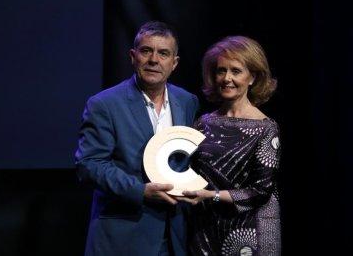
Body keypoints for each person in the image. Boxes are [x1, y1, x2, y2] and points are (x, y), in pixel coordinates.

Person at [75, 21, 199, 256]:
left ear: (174, 63)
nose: (154, 60)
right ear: (133, 56)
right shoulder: (104, 104)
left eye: (163, 53)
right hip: (124, 237)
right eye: (146, 51)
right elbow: (89, 164)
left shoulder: (187, 101)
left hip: (176, 236)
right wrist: (140, 191)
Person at [176, 36, 281, 255]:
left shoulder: (266, 128)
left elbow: (260, 191)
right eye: (221, 71)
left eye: (235, 71)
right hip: (204, 231)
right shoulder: (203, 123)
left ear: (252, 77)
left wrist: (210, 196)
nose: (226, 78)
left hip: (251, 234)